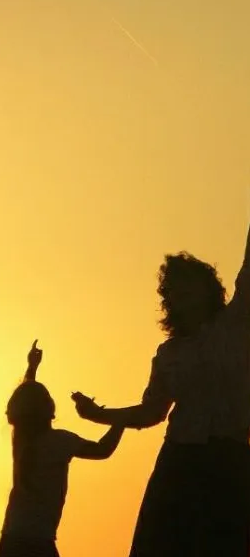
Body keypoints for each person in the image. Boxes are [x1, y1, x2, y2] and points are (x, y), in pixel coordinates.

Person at [73, 220, 250, 557]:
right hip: (178, 461)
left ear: (207, 288)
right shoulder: (169, 354)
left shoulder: (236, 323)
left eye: (187, 284)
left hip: (229, 460)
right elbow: (152, 412)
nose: (179, 292)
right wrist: (99, 414)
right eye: (173, 288)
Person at [0, 340, 124, 557]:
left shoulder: (20, 439)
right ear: (50, 409)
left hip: (11, 539)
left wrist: (32, 368)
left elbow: (27, 399)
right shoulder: (60, 442)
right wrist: (121, 420)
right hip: (39, 542)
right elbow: (103, 450)